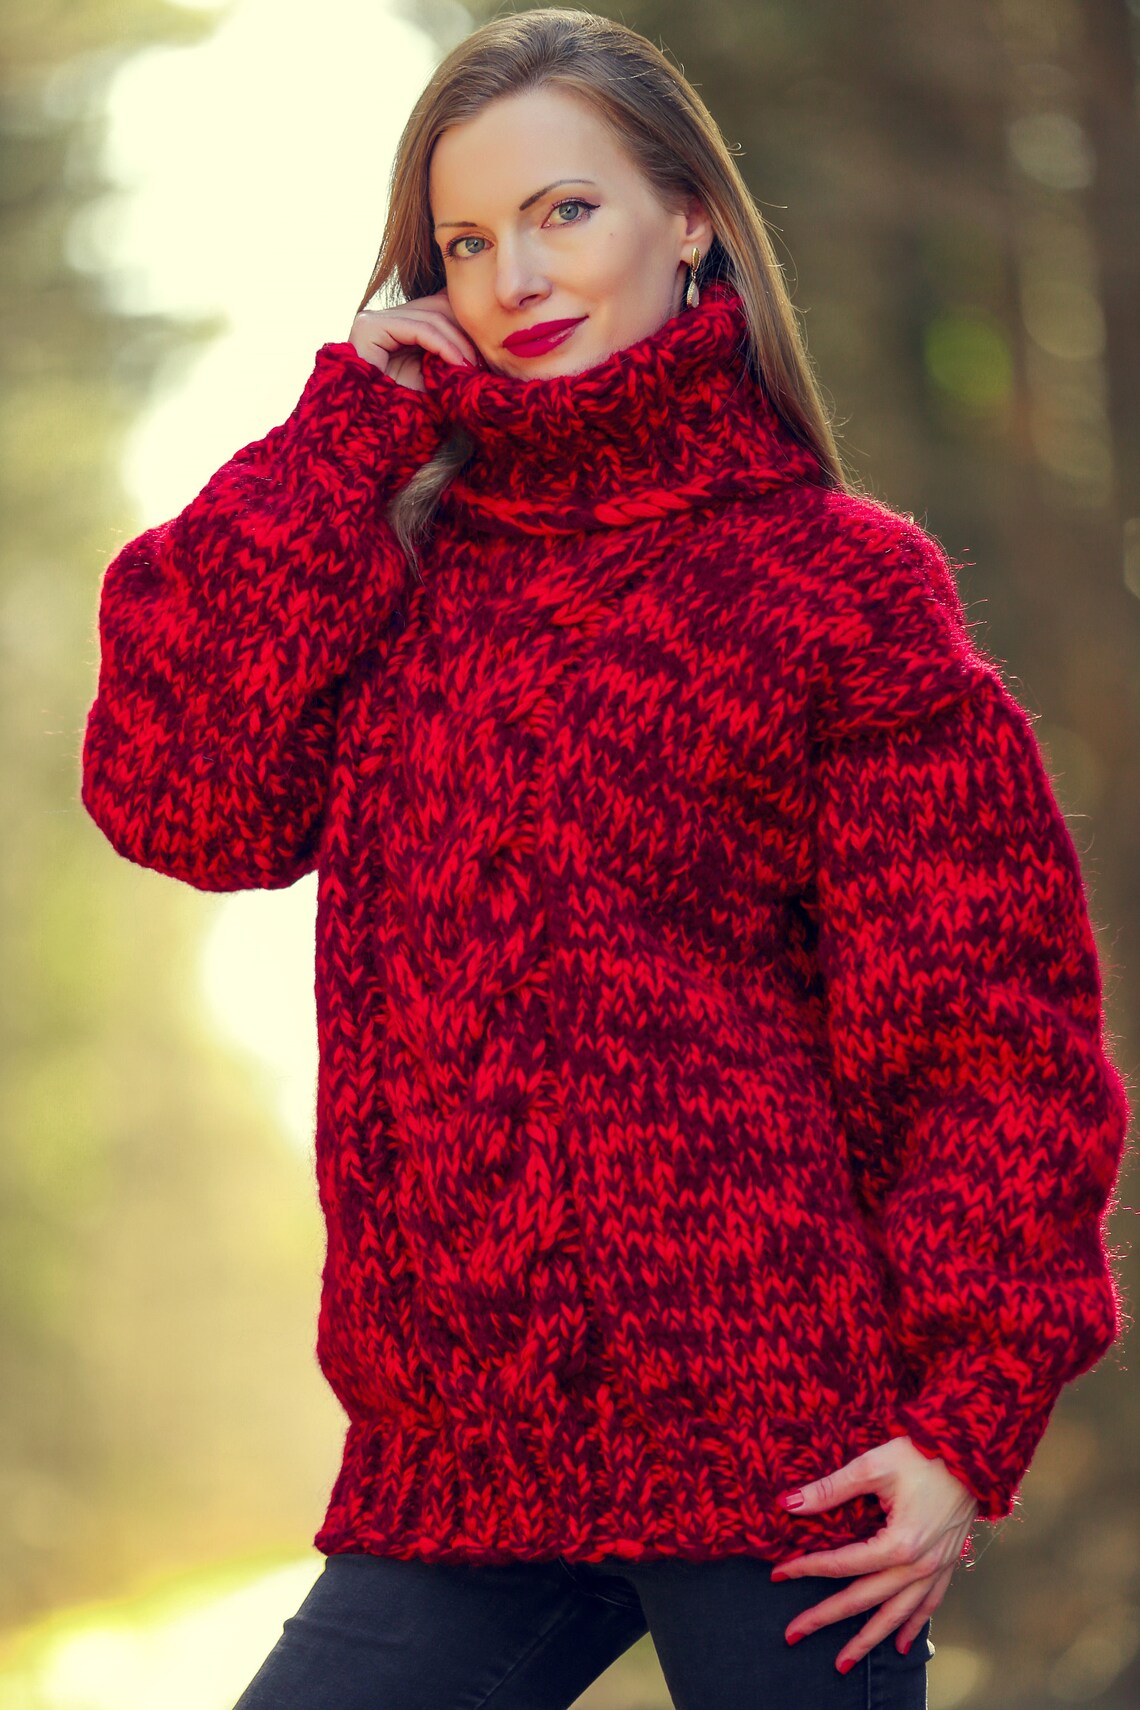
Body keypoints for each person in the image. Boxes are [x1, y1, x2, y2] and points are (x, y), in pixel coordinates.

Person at [79, 8, 1131, 1709]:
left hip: (786, 1462)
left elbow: (988, 1029)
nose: (515, 275)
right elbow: (176, 789)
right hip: (461, 1463)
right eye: (468, 241)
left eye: (565, 211)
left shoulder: (837, 586)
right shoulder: (399, 565)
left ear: (691, 217)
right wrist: (346, 432)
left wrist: (967, 1424)